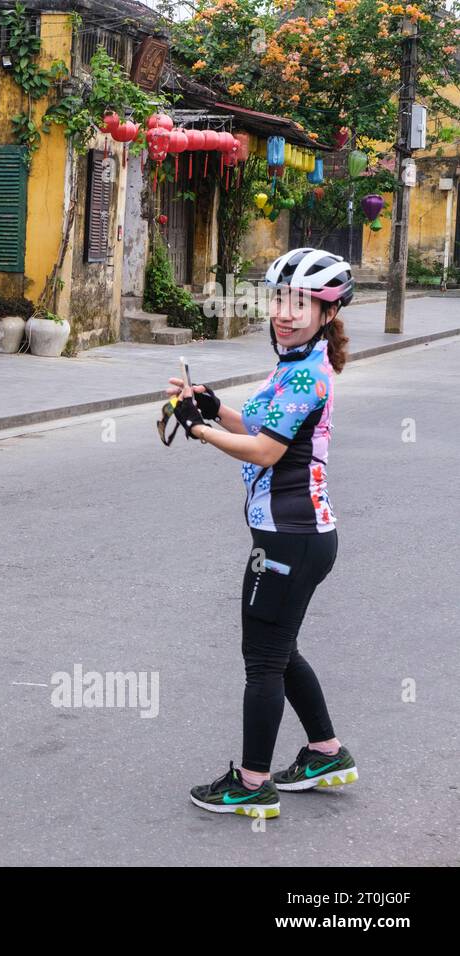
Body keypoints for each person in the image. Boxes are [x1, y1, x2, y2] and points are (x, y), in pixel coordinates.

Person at [168, 248, 359, 819]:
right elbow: (257, 425)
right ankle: (325, 752)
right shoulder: (297, 365)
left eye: (302, 303)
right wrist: (214, 406)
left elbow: (265, 450)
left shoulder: (307, 374)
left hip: (288, 538)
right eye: (279, 299)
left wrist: (199, 430)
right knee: (280, 650)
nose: (286, 311)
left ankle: (251, 784)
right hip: (298, 537)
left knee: (263, 661)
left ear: (327, 312)